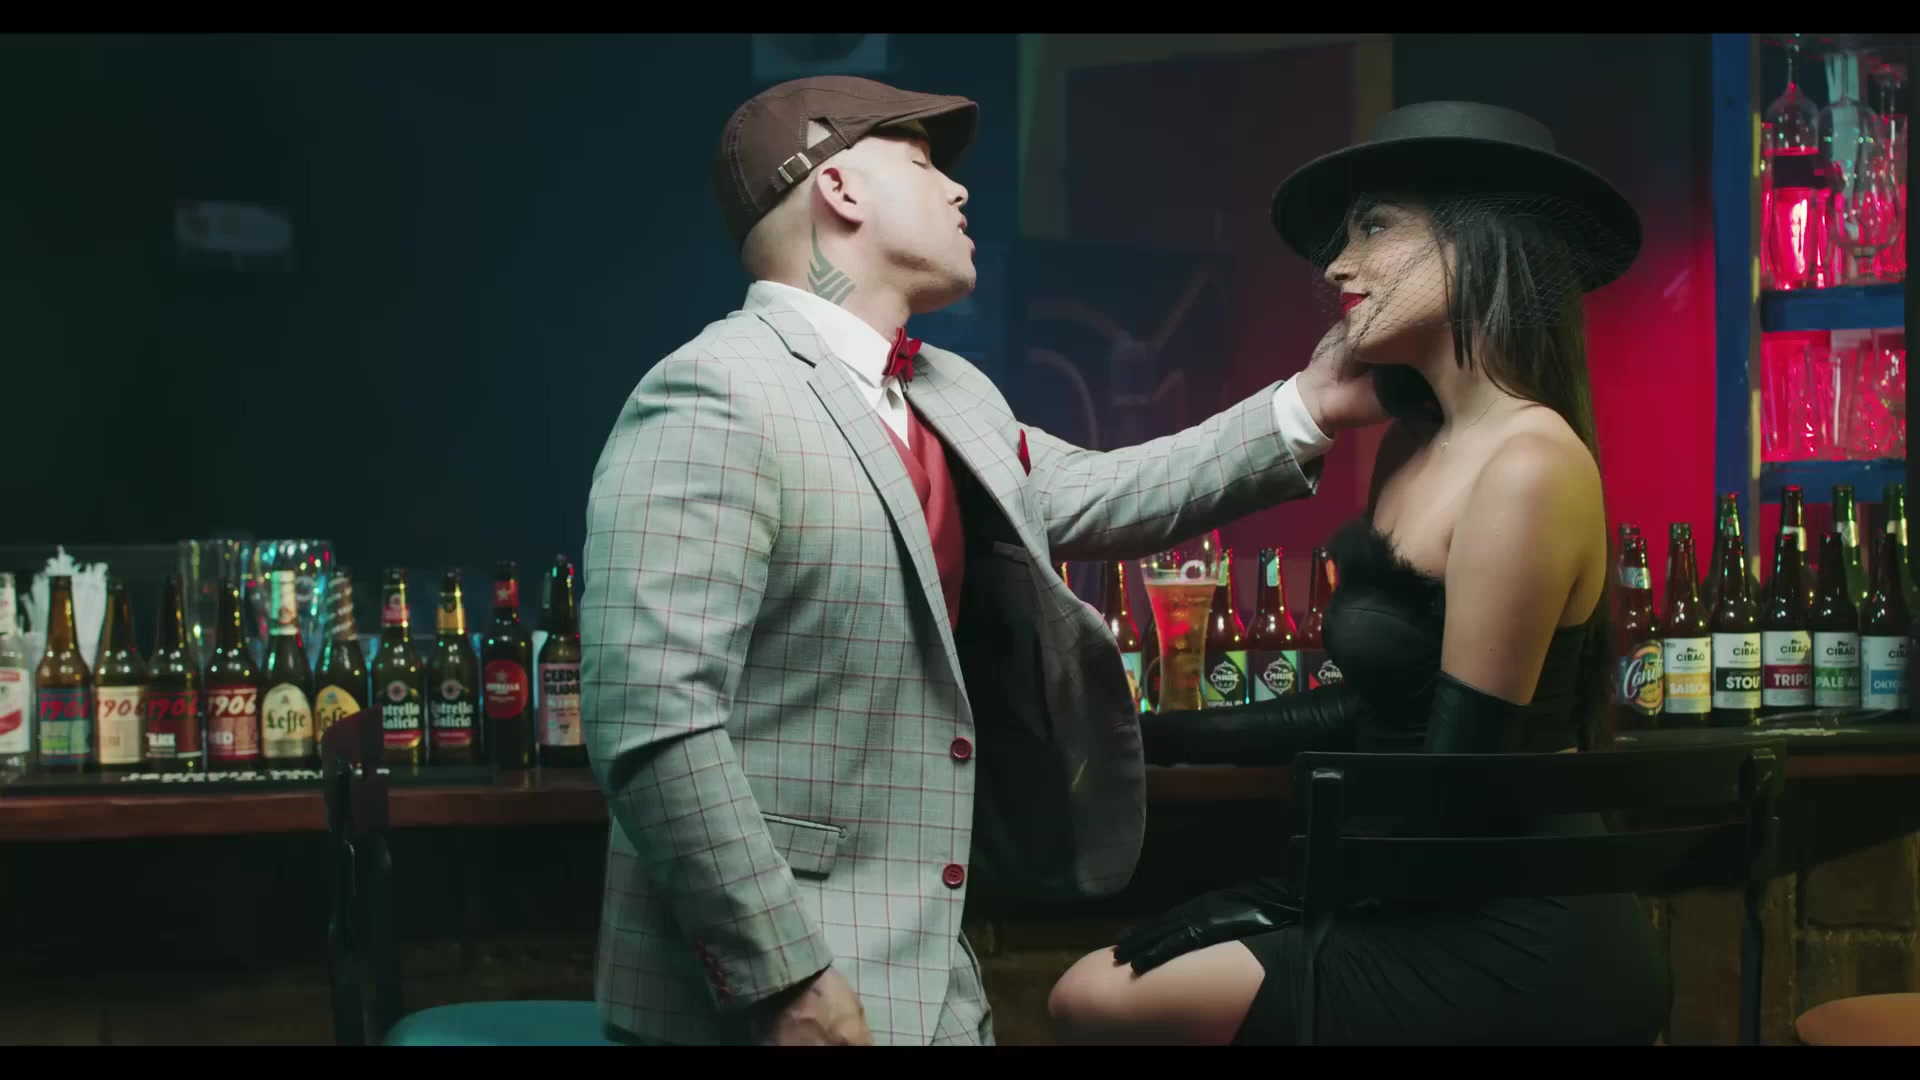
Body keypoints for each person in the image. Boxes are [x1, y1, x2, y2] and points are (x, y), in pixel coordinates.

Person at [580, 76, 1386, 1047]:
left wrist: (1311, 405)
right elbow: (655, 725)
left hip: (932, 979)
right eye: (923, 163)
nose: (959, 189)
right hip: (769, 990)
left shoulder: (947, 391)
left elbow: (1104, 490)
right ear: (839, 188)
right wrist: (783, 978)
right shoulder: (714, 393)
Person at [1046, 101, 1670, 1046]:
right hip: (1409, 884)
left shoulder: (1529, 463)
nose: (1337, 265)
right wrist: (1162, 735)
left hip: (1509, 928)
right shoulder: (1413, 448)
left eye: (1374, 227)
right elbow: (1378, 709)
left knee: (1093, 999)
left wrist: (1292, 901)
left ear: (1474, 245)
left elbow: (1456, 780)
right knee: (1090, 992)